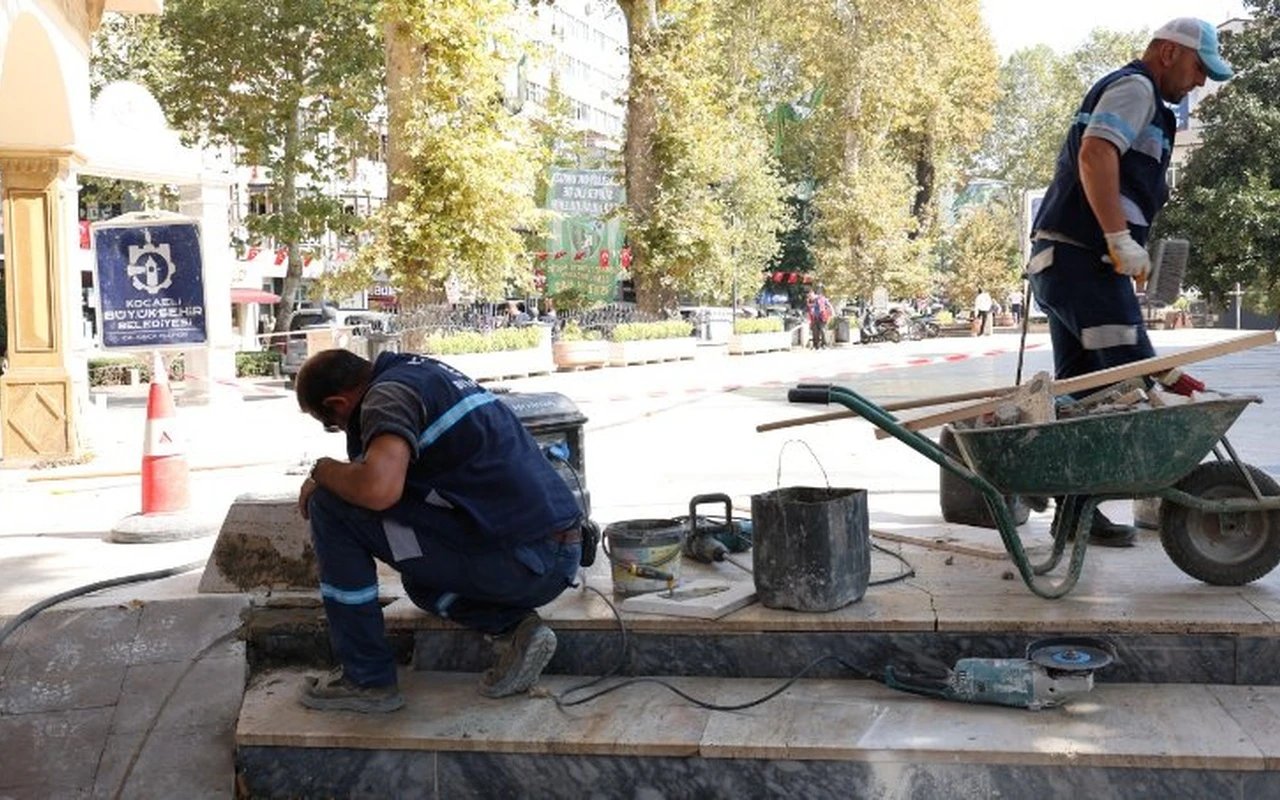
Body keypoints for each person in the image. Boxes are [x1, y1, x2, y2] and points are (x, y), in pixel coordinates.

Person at [1026, 17, 1228, 546]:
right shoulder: (1136, 88)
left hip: (1063, 264)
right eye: (1198, 67)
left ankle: (1075, 512)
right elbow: (1096, 154)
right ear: (1167, 52)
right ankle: (1184, 501)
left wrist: (1126, 245)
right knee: (1135, 376)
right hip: (1081, 260)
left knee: (1084, 393)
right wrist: (1118, 238)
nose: (1200, 82)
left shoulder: (1147, 102)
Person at [294, 348, 584, 712]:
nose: (339, 431)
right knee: (422, 583)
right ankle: (516, 629)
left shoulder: (386, 396)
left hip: (523, 559)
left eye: (331, 422)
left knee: (329, 504)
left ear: (338, 401)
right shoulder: (421, 374)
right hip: (553, 554)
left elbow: (378, 489)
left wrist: (321, 471)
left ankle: (365, 679)